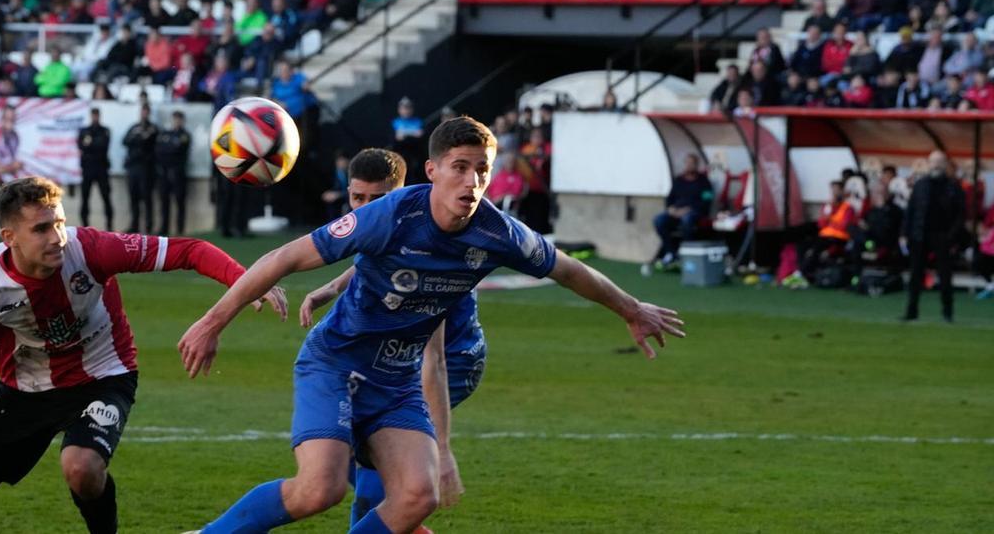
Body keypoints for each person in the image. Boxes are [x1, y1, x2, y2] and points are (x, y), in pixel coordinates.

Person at [177, 116, 684, 533]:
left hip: (397, 382)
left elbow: (571, 270)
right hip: (336, 363)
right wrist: (213, 321)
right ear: (433, 170)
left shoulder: (499, 232)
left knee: (419, 496)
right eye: (459, 168)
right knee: (320, 490)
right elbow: (287, 256)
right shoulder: (391, 214)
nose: (472, 181)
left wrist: (631, 309)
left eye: (481, 170)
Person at [0, 176, 286, 534]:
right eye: (41, 228)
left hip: (104, 375)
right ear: (8, 236)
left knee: (81, 467)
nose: (56, 237)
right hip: (26, 390)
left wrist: (244, 282)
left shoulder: (90, 249)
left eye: (59, 223)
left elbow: (189, 250)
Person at [297, 147, 484, 529]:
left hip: (449, 357)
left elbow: (435, 360)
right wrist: (331, 288)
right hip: (397, 357)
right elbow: (374, 258)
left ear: (400, 194)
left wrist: (444, 449)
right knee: (355, 460)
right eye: (358, 198)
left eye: (376, 200)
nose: (365, 209)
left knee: (372, 469)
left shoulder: (434, 229)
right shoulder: (397, 224)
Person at [901, 150, 965, 322]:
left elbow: (960, 215)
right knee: (915, 275)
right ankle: (911, 311)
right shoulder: (920, 185)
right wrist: (904, 233)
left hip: (942, 237)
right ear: (928, 164)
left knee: (945, 276)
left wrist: (951, 237)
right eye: (933, 162)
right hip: (919, 235)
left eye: (939, 161)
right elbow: (911, 211)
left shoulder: (954, 187)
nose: (936, 165)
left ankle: (947, 313)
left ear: (945, 165)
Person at [649, 153, 713, 270]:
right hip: (676, 213)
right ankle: (671, 253)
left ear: (696, 165)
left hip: (694, 213)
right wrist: (671, 208)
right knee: (659, 220)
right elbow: (670, 198)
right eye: (687, 163)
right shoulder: (678, 180)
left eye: (692, 163)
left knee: (687, 220)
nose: (689, 166)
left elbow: (707, 201)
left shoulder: (704, 182)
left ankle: (686, 253)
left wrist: (689, 209)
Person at [122, 103, 159, 234]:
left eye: (146, 112)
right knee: (134, 198)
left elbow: (151, 143)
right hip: (133, 167)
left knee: (147, 198)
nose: (144, 114)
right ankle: (134, 225)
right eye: (142, 111)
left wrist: (141, 139)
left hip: (146, 168)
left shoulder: (153, 128)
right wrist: (138, 136)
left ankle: (148, 227)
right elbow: (125, 141)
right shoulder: (135, 127)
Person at [156, 110, 191, 235]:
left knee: (179, 202)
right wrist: (170, 148)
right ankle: (164, 228)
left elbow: (178, 150)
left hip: (178, 173)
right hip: (165, 173)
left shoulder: (185, 135)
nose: (176, 122)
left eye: (178, 119)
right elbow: (159, 150)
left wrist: (169, 148)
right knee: (164, 201)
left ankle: (180, 229)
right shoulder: (166, 134)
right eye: (174, 119)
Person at [77, 107, 113, 230]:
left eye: (97, 115)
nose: (95, 118)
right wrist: (92, 144)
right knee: (85, 198)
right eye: (93, 115)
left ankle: (109, 225)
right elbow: (81, 145)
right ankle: (85, 226)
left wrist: (90, 143)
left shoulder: (105, 130)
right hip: (87, 169)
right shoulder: (84, 130)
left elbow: (103, 146)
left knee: (106, 197)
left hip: (101, 168)